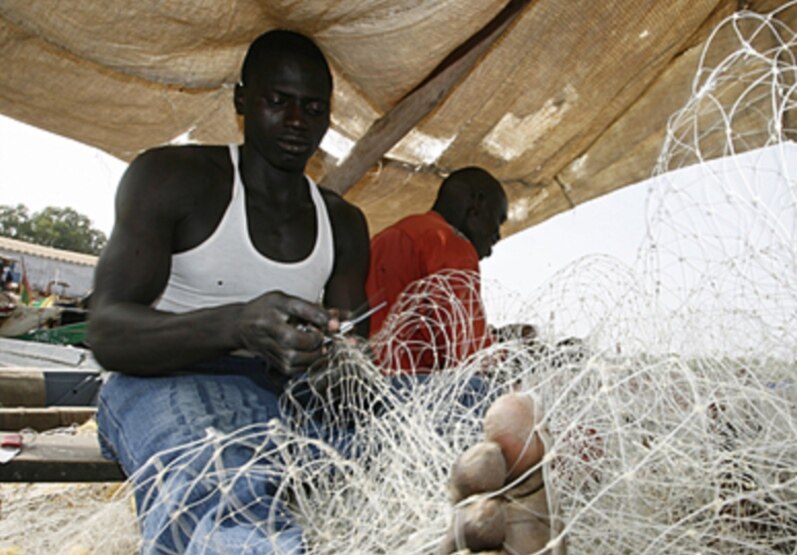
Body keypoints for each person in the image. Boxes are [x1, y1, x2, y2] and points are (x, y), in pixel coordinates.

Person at [88, 30, 369, 553]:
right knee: (215, 489)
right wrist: (237, 323)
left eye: (312, 108)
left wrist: (339, 358)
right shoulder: (173, 177)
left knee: (439, 420)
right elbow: (104, 330)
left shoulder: (343, 223)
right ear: (242, 99)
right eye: (277, 101)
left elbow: (353, 348)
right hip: (163, 382)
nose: (295, 122)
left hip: (288, 397)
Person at [365, 167, 507, 373]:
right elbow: (473, 355)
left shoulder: (385, 238)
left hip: (364, 381)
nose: (498, 234)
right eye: (499, 219)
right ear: (477, 204)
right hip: (411, 387)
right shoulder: (449, 243)